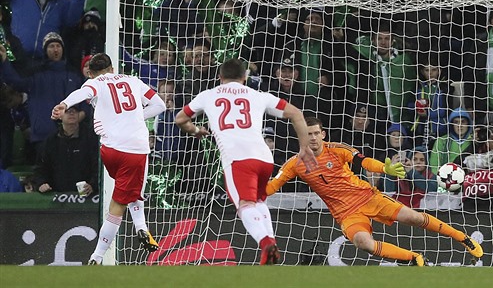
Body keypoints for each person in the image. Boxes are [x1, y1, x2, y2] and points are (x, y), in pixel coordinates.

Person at [267, 117, 483, 265]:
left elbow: (363, 161)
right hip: (346, 213)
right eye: (308, 134)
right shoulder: (294, 164)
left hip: (367, 197)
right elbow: (270, 188)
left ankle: (461, 237)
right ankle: (414, 259)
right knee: (364, 244)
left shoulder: (337, 149)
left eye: (316, 133)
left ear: (322, 134)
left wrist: (384, 168)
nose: (312, 138)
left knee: (414, 218)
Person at [175, 58, 317, 265]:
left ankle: (266, 242)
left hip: (237, 159)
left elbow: (180, 118)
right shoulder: (258, 95)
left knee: (244, 205)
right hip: (264, 158)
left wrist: (196, 130)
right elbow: (297, 114)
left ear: (220, 77)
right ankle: (272, 245)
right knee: (259, 201)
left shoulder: (208, 95)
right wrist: (304, 147)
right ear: (245, 77)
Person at [50, 53, 166, 265]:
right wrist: (136, 116)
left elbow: (83, 92)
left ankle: (142, 227)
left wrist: (64, 104)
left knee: (128, 187)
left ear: (91, 73)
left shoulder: (95, 83)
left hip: (109, 149)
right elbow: (160, 106)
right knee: (119, 203)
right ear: (112, 68)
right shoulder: (133, 81)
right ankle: (97, 256)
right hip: (134, 149)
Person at [34, 105, 98, 195]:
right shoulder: (50, 141)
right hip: (57, 197)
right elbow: (40, 167)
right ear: (59, 116)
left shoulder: (91, 138)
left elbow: (98, 165)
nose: (72, 113)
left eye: (75, 111)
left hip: (86, 197)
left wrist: (93, 185)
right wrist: (41, 183)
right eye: (67, 111)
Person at [429, 107, 474, 174]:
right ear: (451, 125)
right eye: (456, 122)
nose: (460, 125)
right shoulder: (442, 141)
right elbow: (434, 166)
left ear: (468, 124)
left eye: (463, 122)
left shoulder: (473, 141)